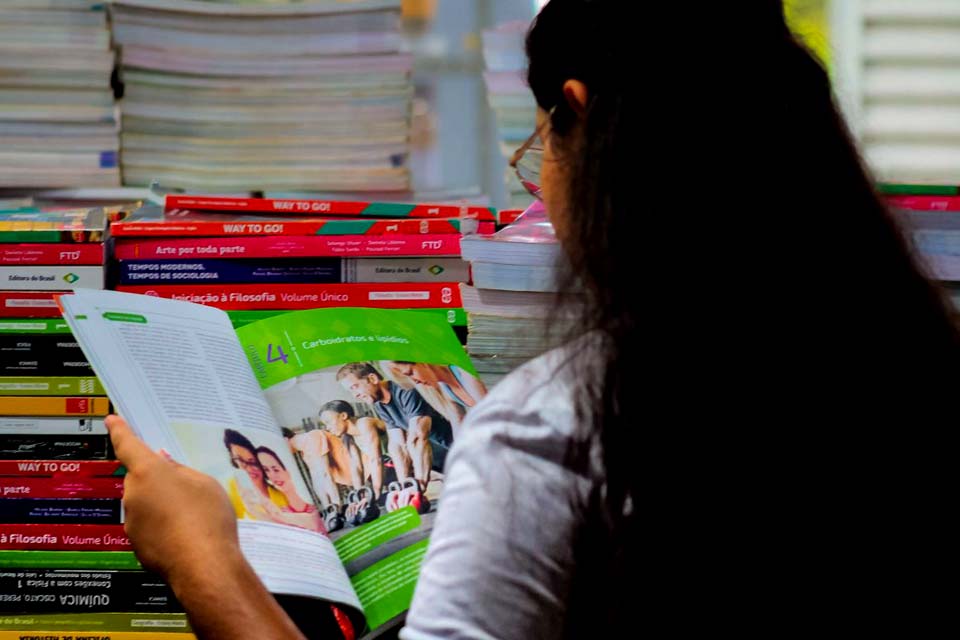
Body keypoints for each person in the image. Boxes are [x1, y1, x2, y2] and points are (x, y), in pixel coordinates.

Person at [103, 1, 960, 637]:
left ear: (580, 117)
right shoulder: (917, 372)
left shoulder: (560, 428)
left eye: (539, 142)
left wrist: (205, 564)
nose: (538, 176)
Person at [336, 362, 454, 492]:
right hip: (443, 461)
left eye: (355, 387)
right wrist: (404, 485)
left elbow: (418, 437)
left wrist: (419, 484)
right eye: (351, 391)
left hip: (459, 448)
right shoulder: (380, 405)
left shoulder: (405, 390)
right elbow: (397, 445)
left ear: (373, 379)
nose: (355, 395)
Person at [318, 399, 388, 500]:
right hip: (387, 462)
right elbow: (356, 467)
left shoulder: (364, 424)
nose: (327, 428)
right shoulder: (347, 436)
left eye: (328, 422)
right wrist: (359, 496)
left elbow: (376, 460)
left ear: (343, 416)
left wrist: (376, 495)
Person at [222, 429, 289, 522]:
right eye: (240, 460)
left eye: (252, 461)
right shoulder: (235, 485)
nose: (249, 469)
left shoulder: (279, 487)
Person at [255, 446, 325, 534]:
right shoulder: (278, 513)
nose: (272, 476)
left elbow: (314, 522)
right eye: (266, 471)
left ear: (287, 470)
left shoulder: (310, 508)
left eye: (276, 470)